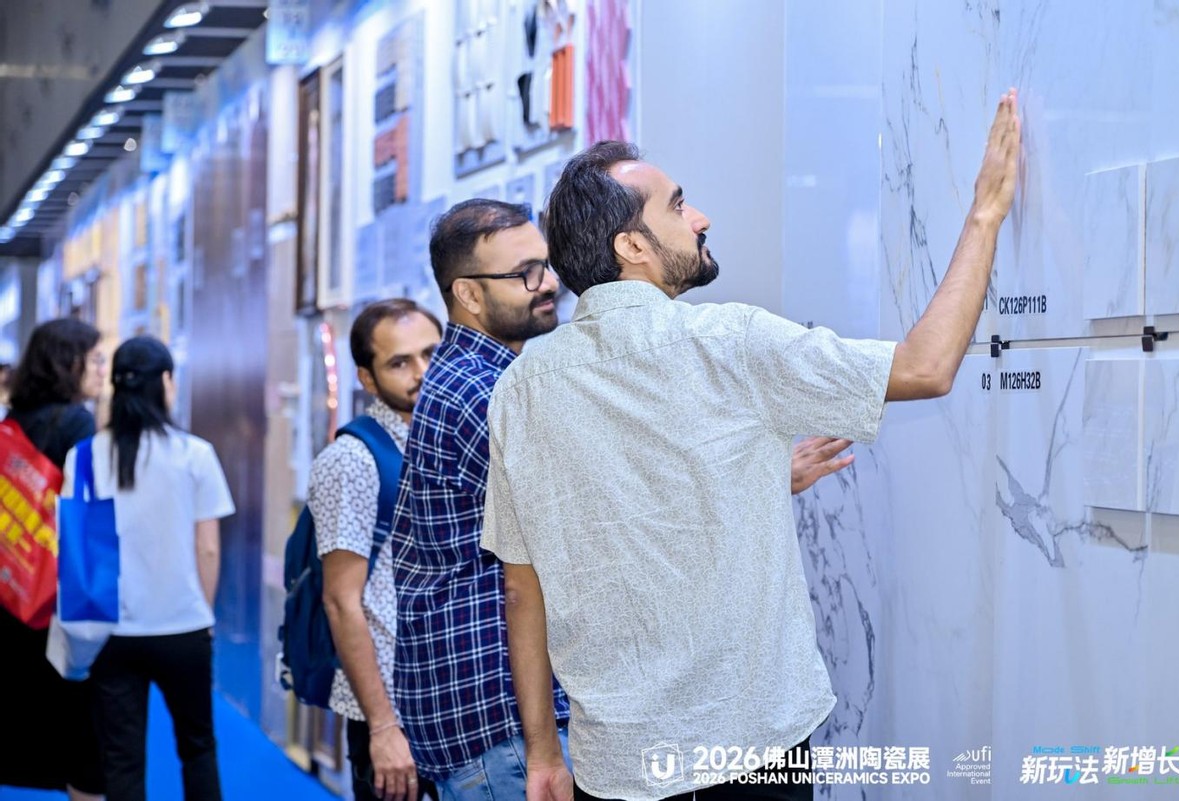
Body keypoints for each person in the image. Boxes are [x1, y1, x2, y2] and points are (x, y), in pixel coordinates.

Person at [480, 90, 1022, 801]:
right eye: (678, 206)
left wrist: (543, 751)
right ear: (631, 247)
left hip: (616, 766)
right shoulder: (730, 341)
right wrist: (986, 212)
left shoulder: (522, 386)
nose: (699, 218)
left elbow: (523, 585)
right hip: (751, 750)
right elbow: (926, 366)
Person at [390, 198, 570, 801]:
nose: (548, 284)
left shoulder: (476, 378)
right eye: (525, 274)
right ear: (467, 293)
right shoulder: (483, 393)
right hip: (502, 720)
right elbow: (581, 514)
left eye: (546, 265)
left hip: (482, 711)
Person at [66, 335, 235, 801]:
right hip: (183, 626)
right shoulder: (195, 454)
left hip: (111, 631)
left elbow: (78, 547)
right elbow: (208, 549)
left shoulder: (85, 456)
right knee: (198, 748)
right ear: (165, 382)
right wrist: (204, 615)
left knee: (122, 759)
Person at [310, 299, 442, 801]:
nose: (422, 372)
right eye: (400, 362)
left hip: (451, 704)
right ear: (367, 379)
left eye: (431, 353)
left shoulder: (443, 440)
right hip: (391, 714)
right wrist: (384, 728)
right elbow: (340, 601)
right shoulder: (352, 460)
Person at [0, 318, 107, 801]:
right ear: (68, 363)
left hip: (8, 591)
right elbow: (86, 517)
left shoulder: (9, 424)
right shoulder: (77, 423)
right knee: (81, 745)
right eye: (95, 359)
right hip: (54, 601)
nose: (102, 370)